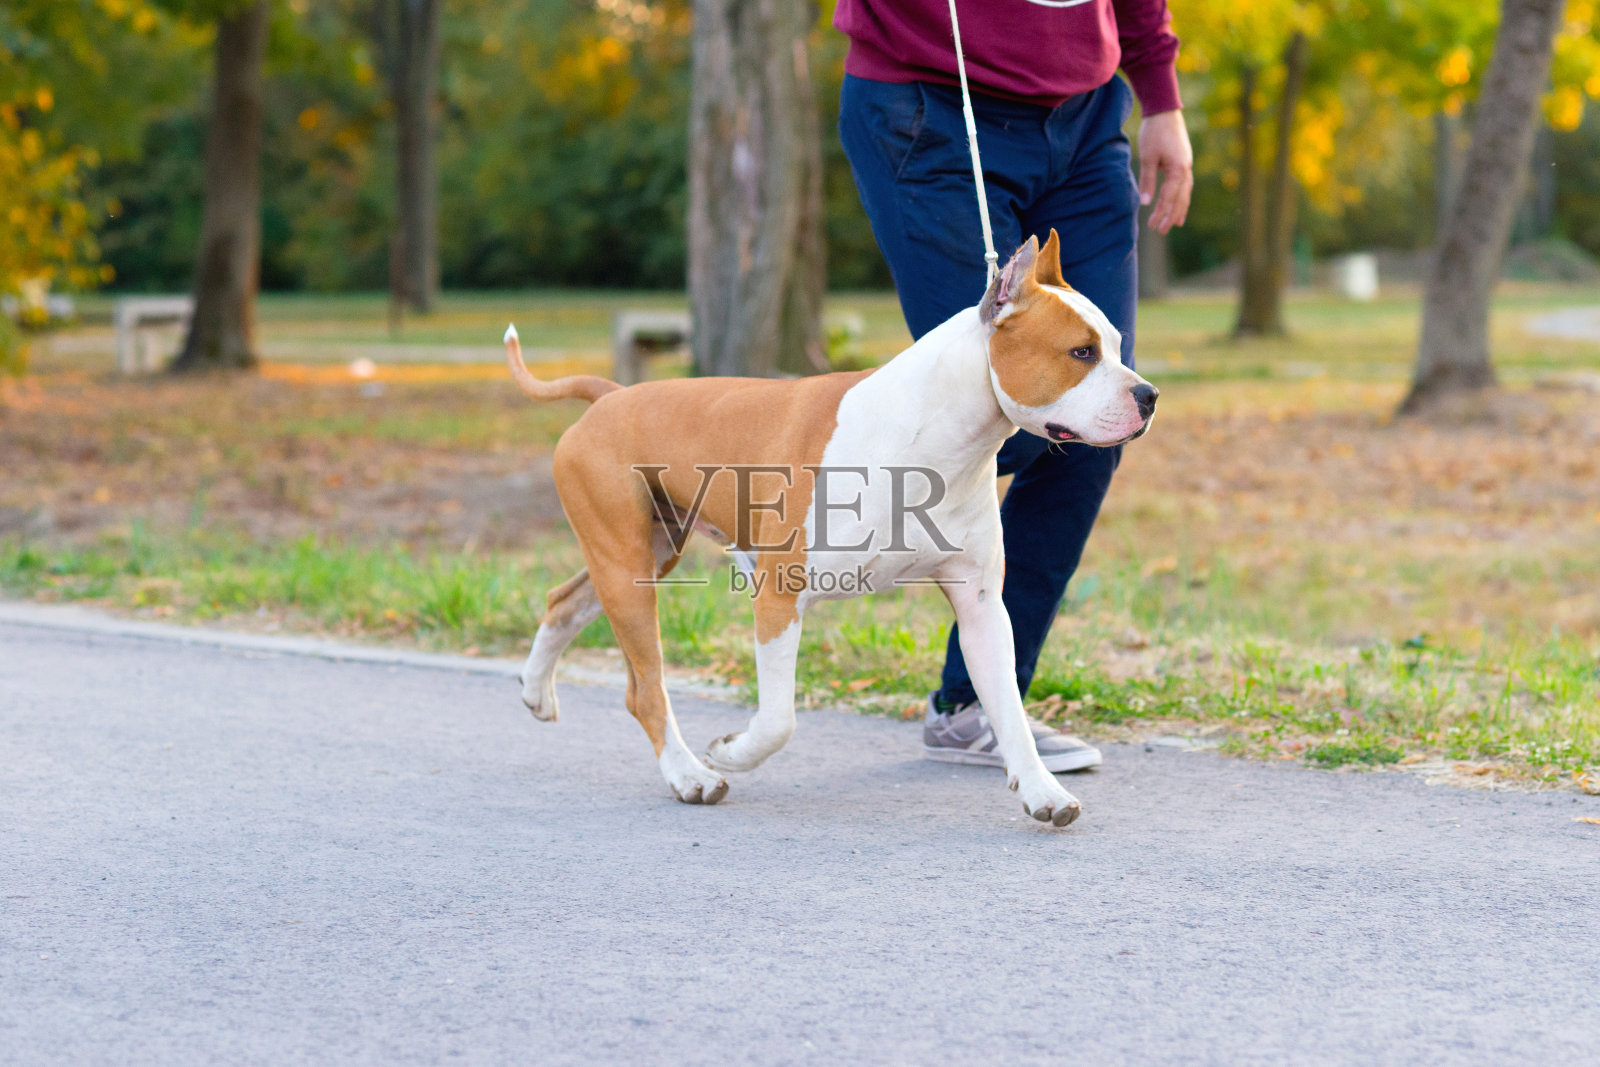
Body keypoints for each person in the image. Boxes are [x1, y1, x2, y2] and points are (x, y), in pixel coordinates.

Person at [834, 0, 1193, 772]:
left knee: (1098, 412)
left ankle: (972, 705)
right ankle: (789, 527)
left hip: (1087, 121)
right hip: (930, 106)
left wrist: (1160, 95)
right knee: (993, 412)